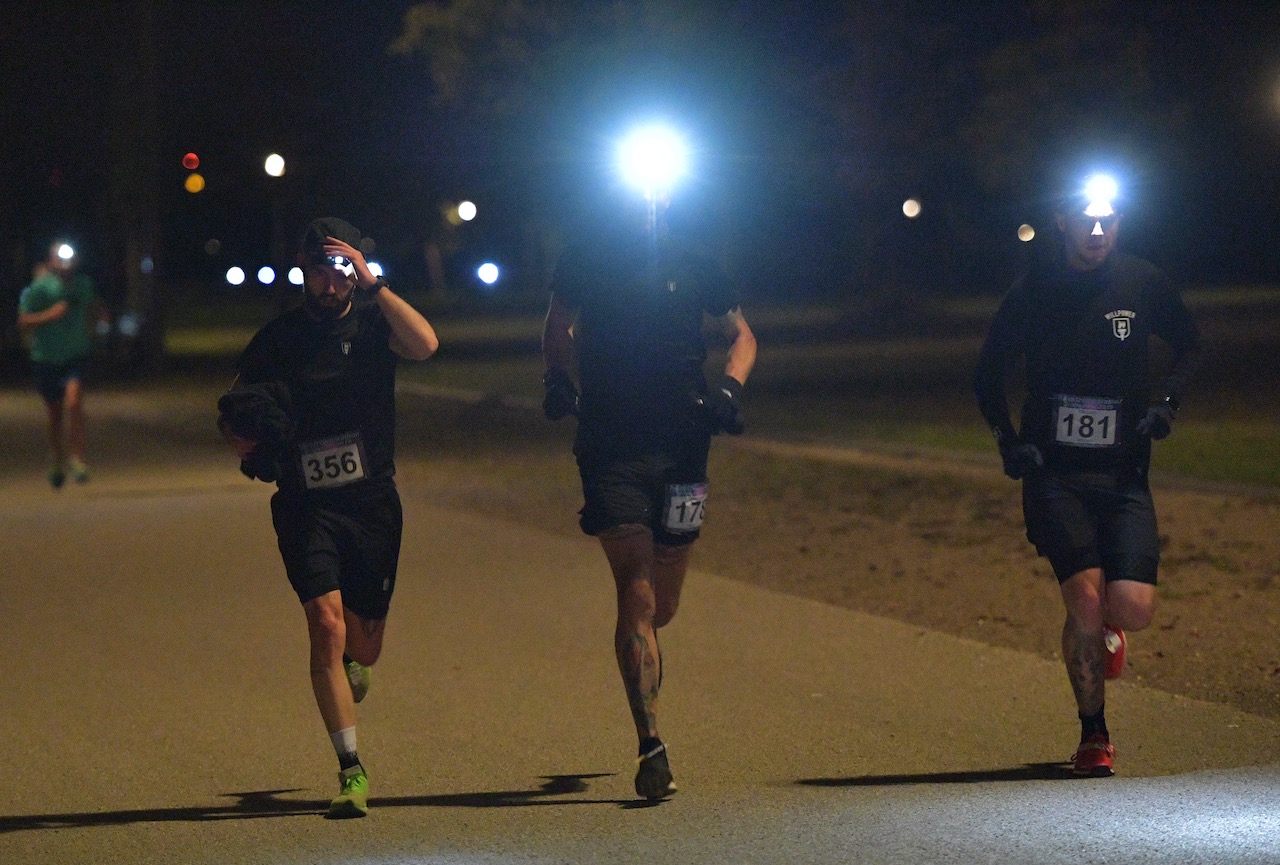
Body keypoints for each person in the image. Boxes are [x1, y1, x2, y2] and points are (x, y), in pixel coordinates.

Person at [973, 175, 1201, 777]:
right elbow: (987, 374)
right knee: (1086, 599)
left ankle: (1107, 632)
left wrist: (1166, 403)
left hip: (1124, 474)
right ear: (1063, 223)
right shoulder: (1033, 292)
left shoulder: (1143, 282)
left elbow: (1191, 345)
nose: (1099, 231)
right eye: (1087, 220)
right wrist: (1010, 444)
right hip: (1054, 473)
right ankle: (1093, 734)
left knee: (1131, 609)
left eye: (1110, 220)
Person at [218, 217, 438, 818]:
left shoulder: (374, 322)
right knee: (326, 623)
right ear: (303, 272)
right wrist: (246, 442)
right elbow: (235, 414)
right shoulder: (278, 338)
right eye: (319, 268)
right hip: (304, 504)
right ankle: (352, 771)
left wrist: (376, 286)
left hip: (371, 505)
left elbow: (426, 345)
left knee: (363, 648)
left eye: (341, 267)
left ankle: (352, 667)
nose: (329, 280)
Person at [541, 192, 757, 800]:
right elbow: (558, 324)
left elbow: (742, 335)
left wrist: (730, 391)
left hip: (684, 445)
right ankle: (651, 744)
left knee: (661, 606)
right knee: (634, 588)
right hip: (610, 445)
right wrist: (559, 380)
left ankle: (642, 660)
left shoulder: (697, 262)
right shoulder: (585, 258)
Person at [16, 242, 109, 488]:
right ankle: (57, 459)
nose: (65, 264)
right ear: (52, 261)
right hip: (46, 358)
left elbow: (95, 307)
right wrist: (49, 315)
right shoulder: (39, 287)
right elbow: (23, 320)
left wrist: (101, 319)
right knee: (55, 414)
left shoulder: (83, 284)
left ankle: (77, 458)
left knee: (74, 402)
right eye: (60, 258)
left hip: (75, 356)